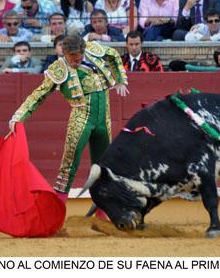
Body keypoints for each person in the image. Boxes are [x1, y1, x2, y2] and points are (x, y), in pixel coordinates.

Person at [7, 34, 129, 205]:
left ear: (83, 50)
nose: (73, 61)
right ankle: (55, 210)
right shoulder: (59, 68)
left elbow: (114, 55)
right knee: (68, 167)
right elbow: (39, 94)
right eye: (70, 57)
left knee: (102, 168)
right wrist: (18, 116)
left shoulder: (93, 50)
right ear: (64, 52)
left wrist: (121, 80)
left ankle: (104, 213)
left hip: (104, 120)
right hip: (81, 119)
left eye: (77, 58)